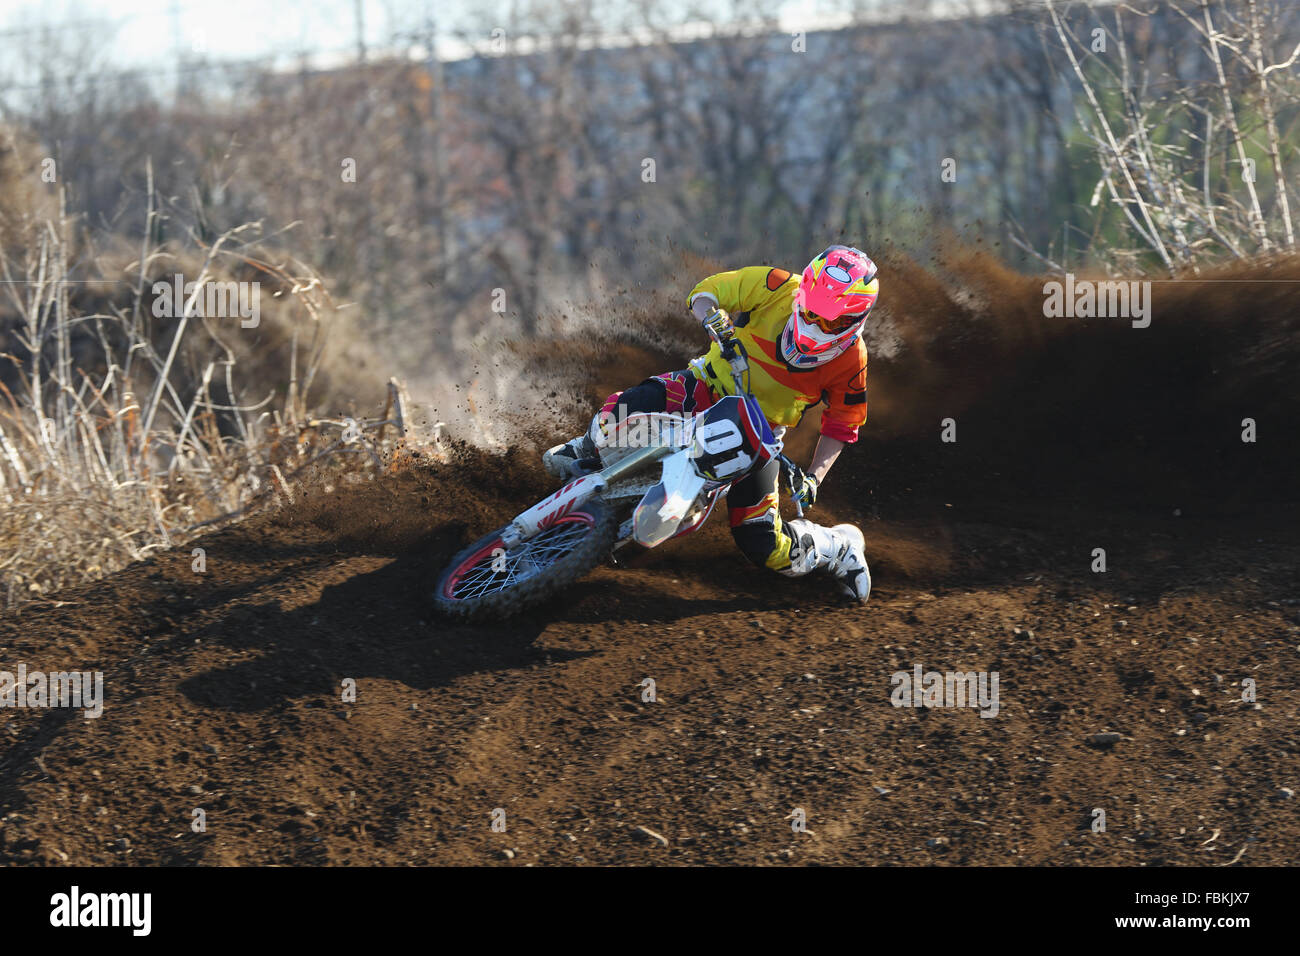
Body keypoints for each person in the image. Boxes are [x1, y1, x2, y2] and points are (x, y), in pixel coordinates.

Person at [543, 244, 877, 602]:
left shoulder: (852, 359)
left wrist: (813, 477)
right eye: (811, 311)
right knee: (626, 408)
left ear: (854, 320)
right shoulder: (777, 285)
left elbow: (842, 425)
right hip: (705, 386)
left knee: (765, 544)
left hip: (758, 437)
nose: (814, 325)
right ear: (804, 291)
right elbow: (705, 292)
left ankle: (836, 548)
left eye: (830, 321)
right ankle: (586, 447)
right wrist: (713, 319)